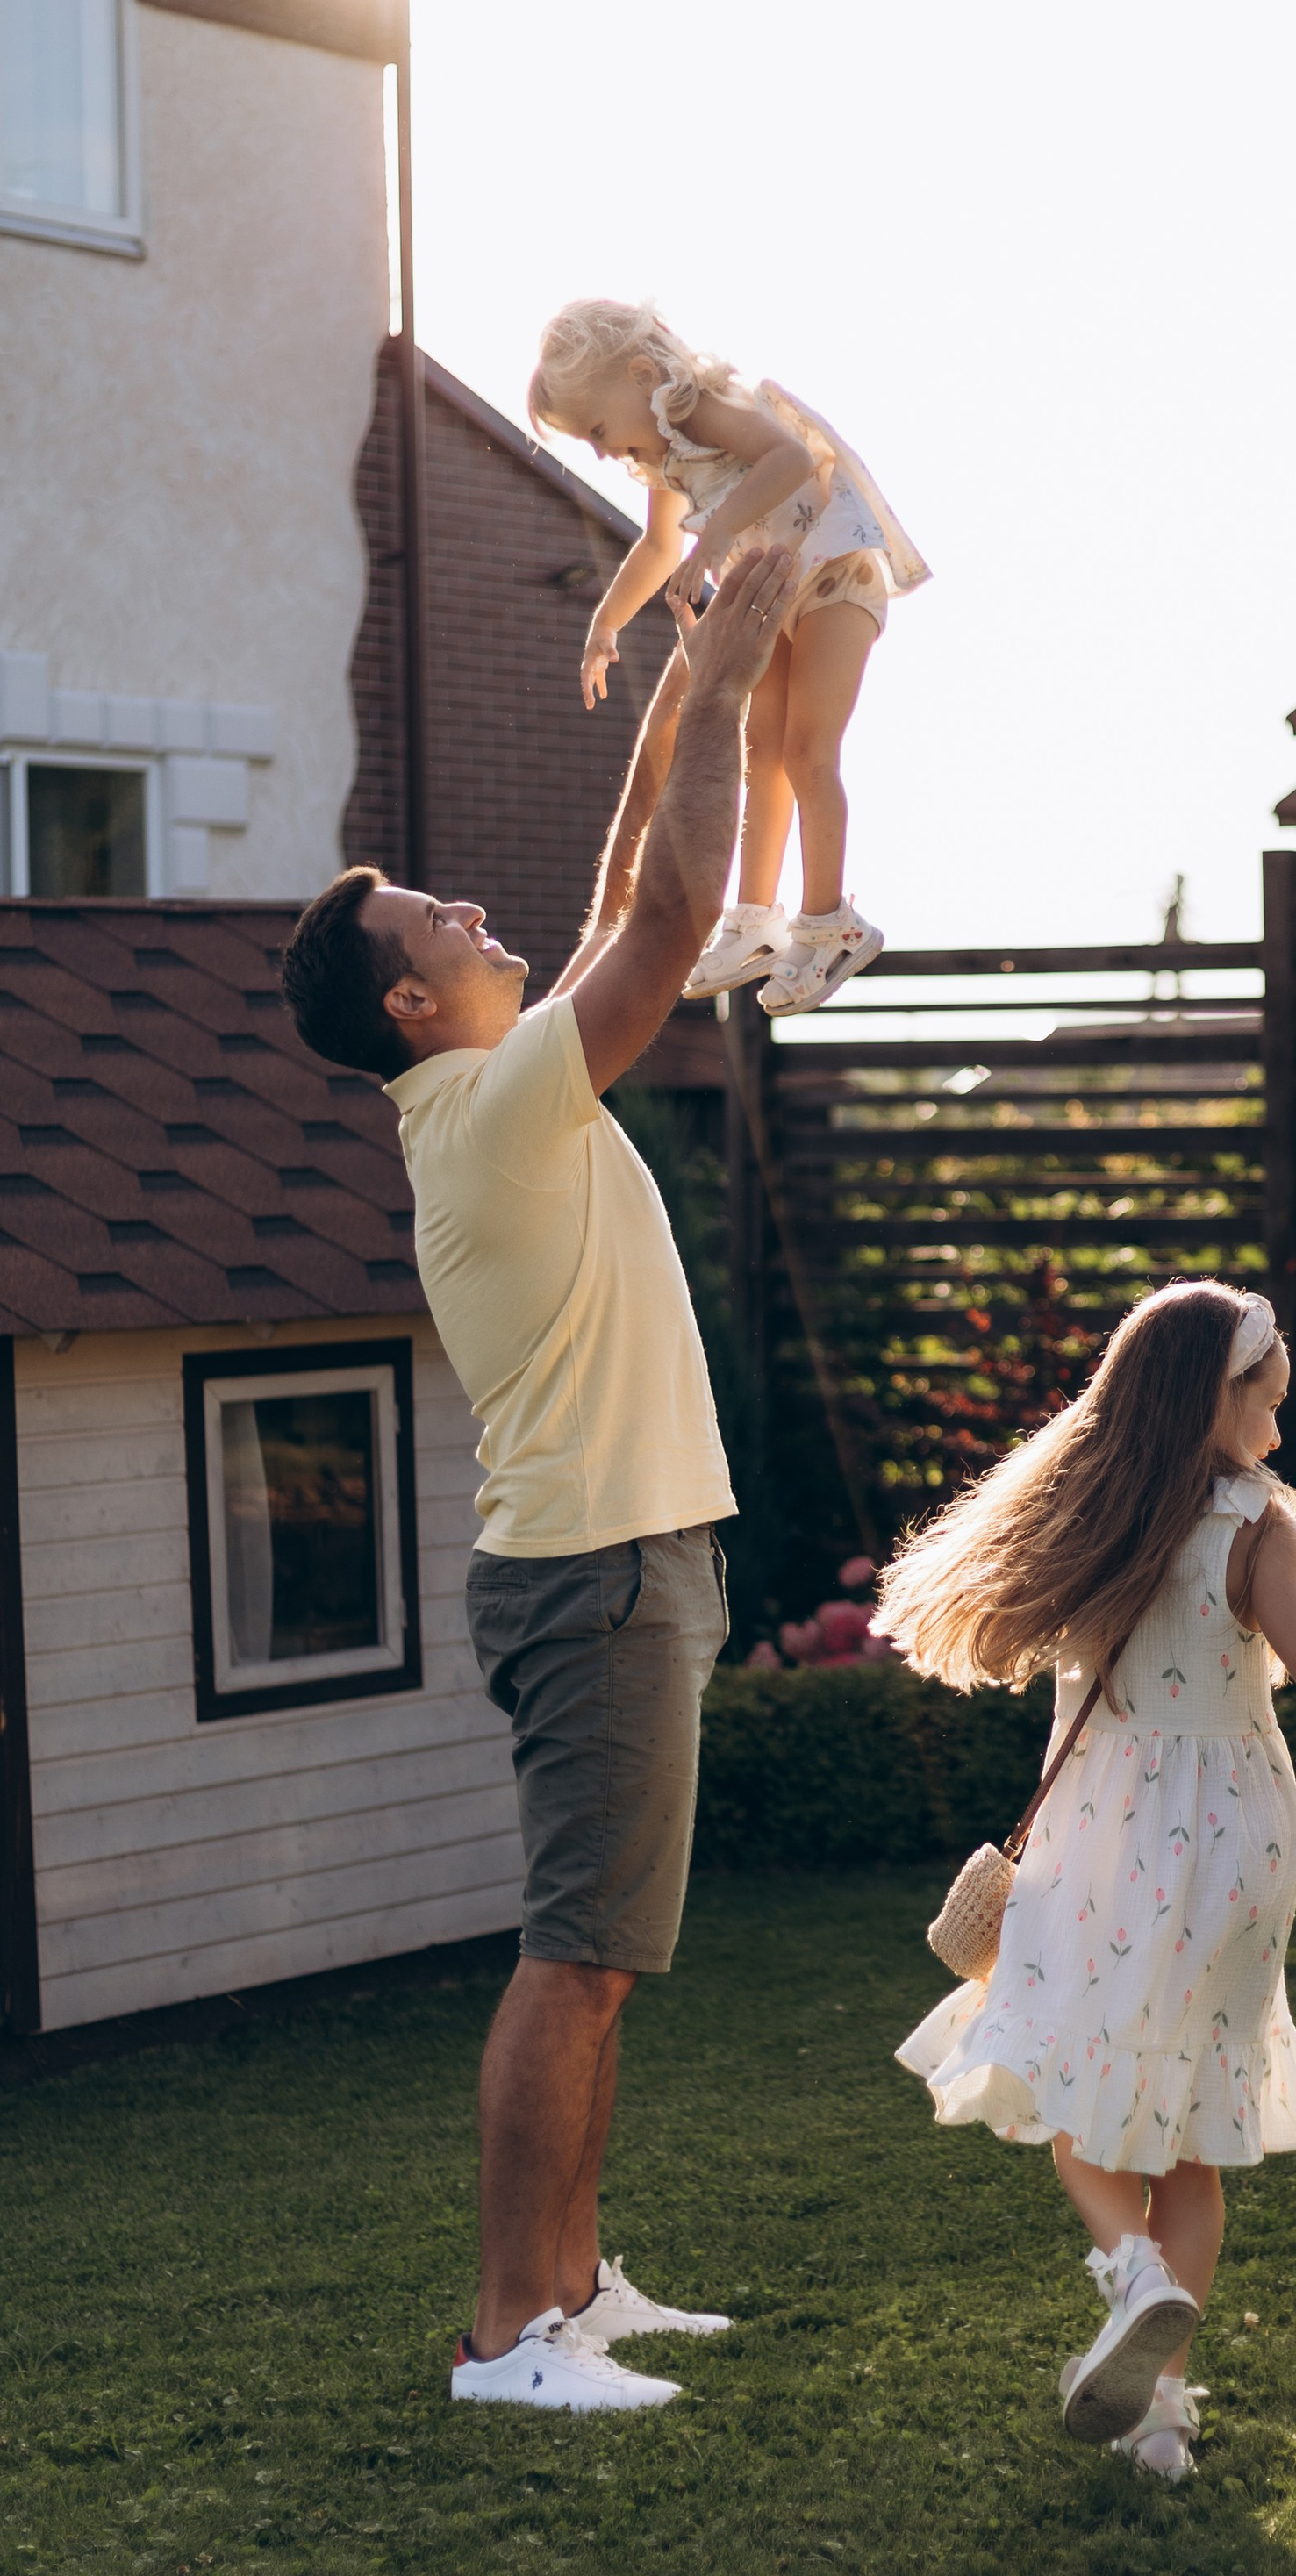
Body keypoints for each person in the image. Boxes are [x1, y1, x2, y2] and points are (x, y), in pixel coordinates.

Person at [278, 547, 800, 2414]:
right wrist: (734, 678)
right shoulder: (494, 1112)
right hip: (595, 1576)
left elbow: (603, 895)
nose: (472, 912)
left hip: (624, 1561)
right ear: (411, 1008)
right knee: (574, 1960)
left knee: (605, 1961)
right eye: (436, 920)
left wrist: (675, 678)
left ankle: (573, 2283)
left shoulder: (500, 1093)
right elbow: (665, 916)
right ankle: (507, 2335)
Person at [876, 1280, 1296, 2483]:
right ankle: (1163, 2419)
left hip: (1106, 1837)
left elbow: (1251, 1572)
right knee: (1192, 2134)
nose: (1278, 1436)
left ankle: (1132, 2276)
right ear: (1216, 1398)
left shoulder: (1099, 1508)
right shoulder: (1255, 1524)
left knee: (1070, 2082)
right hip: (1237, 1845)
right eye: (1267, 1409)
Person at [528, 297, 929, 1013]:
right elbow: (658, 547)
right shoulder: (661, 461)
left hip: (836, 574)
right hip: (776, 591)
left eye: (596, 429)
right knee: (760, 751)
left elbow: (789, 456)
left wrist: (714, 544)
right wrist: (605, 620)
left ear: (641, 373)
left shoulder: (697, 408)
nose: (599, 451)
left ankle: (831, 922)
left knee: (809, 751)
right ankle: (756, 920)